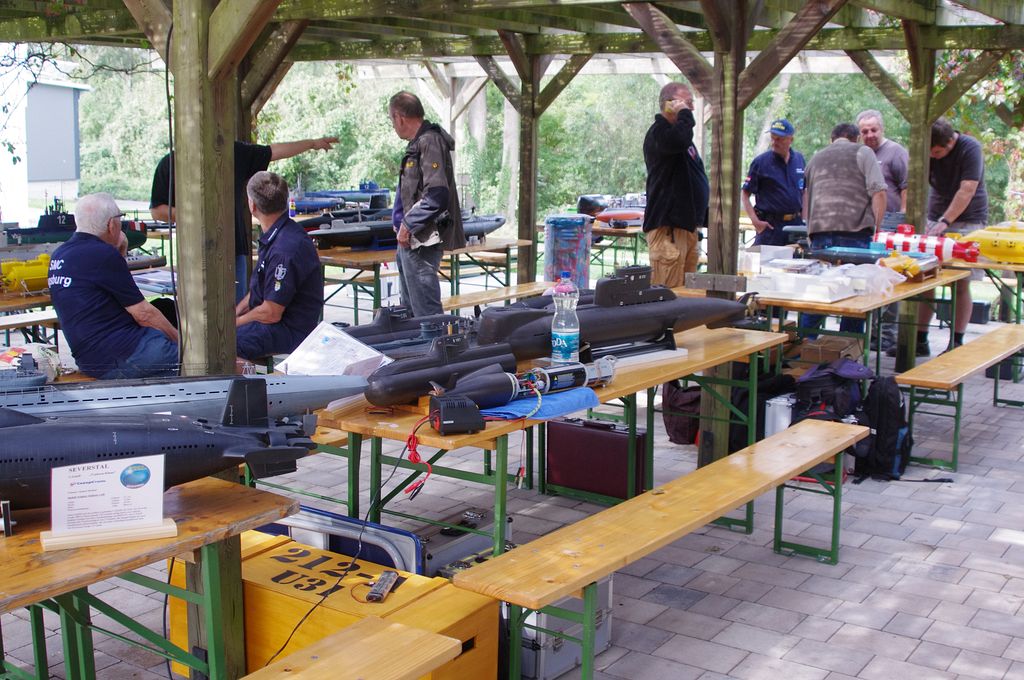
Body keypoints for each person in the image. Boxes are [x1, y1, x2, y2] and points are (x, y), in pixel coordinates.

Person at [149, 136, 337, 302]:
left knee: (235, 311)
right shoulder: (171, 163)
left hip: (233, 250)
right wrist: (197, 216)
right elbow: (157, 211)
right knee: (194, 312)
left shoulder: (233, 153)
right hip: (192, 253)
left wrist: (312, 144)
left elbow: (274, 151)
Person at [49, 193, 179, 379]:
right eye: (120, 218)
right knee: (205, 360)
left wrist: (120, 252)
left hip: (90, 359)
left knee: (164, 308)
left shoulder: (60, 254)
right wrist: (181, 343)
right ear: (112, 224)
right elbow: (144, 314)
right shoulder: (102, 254)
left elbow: (111, 287)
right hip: (123, 354)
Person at [897, 117, 988, 357]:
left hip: (967, 221)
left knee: (961, 282)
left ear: (949, 142)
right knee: (924, 276)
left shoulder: (970, 148)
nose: (933, 157)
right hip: (934, 217)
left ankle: (956, 341)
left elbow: (967, 189)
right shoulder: (927, 150)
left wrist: (945, 222)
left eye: (936, 153)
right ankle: (919, 339)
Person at [801, 123, 886, 335]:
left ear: (832, 139)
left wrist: (810, 232)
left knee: (820, 293)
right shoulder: (864, 152)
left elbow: (806, 198)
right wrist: (877, 229)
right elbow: (879, 192)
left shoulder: (815, 158)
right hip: (855, 234)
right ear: (856, 138)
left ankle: (803, 342)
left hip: (820, 233)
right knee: (854, 294)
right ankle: (848, 345)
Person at [388, 91, 465, 316]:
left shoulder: (430, 141)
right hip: (410, 241)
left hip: (422, 241)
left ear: (399, 117)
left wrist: (408, 225)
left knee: (426, 315)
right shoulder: (418, 143)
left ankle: (435, 340)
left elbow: (437, 195)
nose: (393, 124)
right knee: (411, 312)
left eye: (392, 119)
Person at [235, 172, 324, 362]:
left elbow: (271, 313)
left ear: (252, 205)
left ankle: (238, 380)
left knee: (222, 345)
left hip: (290, 330)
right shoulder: (280, 235)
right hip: (275, 323)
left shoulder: (284, 248)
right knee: (220, 337)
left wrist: (234, 324)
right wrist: (235, 313)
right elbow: (260, 290)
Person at [642, 82, 709, 288]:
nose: (691, 108)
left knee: (687, 293)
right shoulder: (660, 133)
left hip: (687, 226)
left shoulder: (680, 136)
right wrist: (684, 116)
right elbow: (678, 140)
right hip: (668, 227)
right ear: (669, 104)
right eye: (687, 103)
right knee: (669, 292)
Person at [857, 109, 910, 351]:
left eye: (873, 130)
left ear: (882, 129)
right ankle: (870, 333)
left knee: (889, 277)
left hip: (890, 223)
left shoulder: (896, 152)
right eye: (864, 131)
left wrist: (902, 217)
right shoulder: (860, 153)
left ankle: (888, 334)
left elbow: (907, 186)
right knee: (869, 279)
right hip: (865, 224)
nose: (869, 134)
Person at [741, 119, 805, 247]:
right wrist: (756, 222)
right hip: (771, 227)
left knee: (796, 259)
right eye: (773, 138)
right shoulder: (761, 162)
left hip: (795, 226)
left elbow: (804, 191)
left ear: (791, 140)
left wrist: (804, 220)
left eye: (780, 139)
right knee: (767, 260)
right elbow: (745, 194)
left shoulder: (799, 159)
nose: (775, 142)